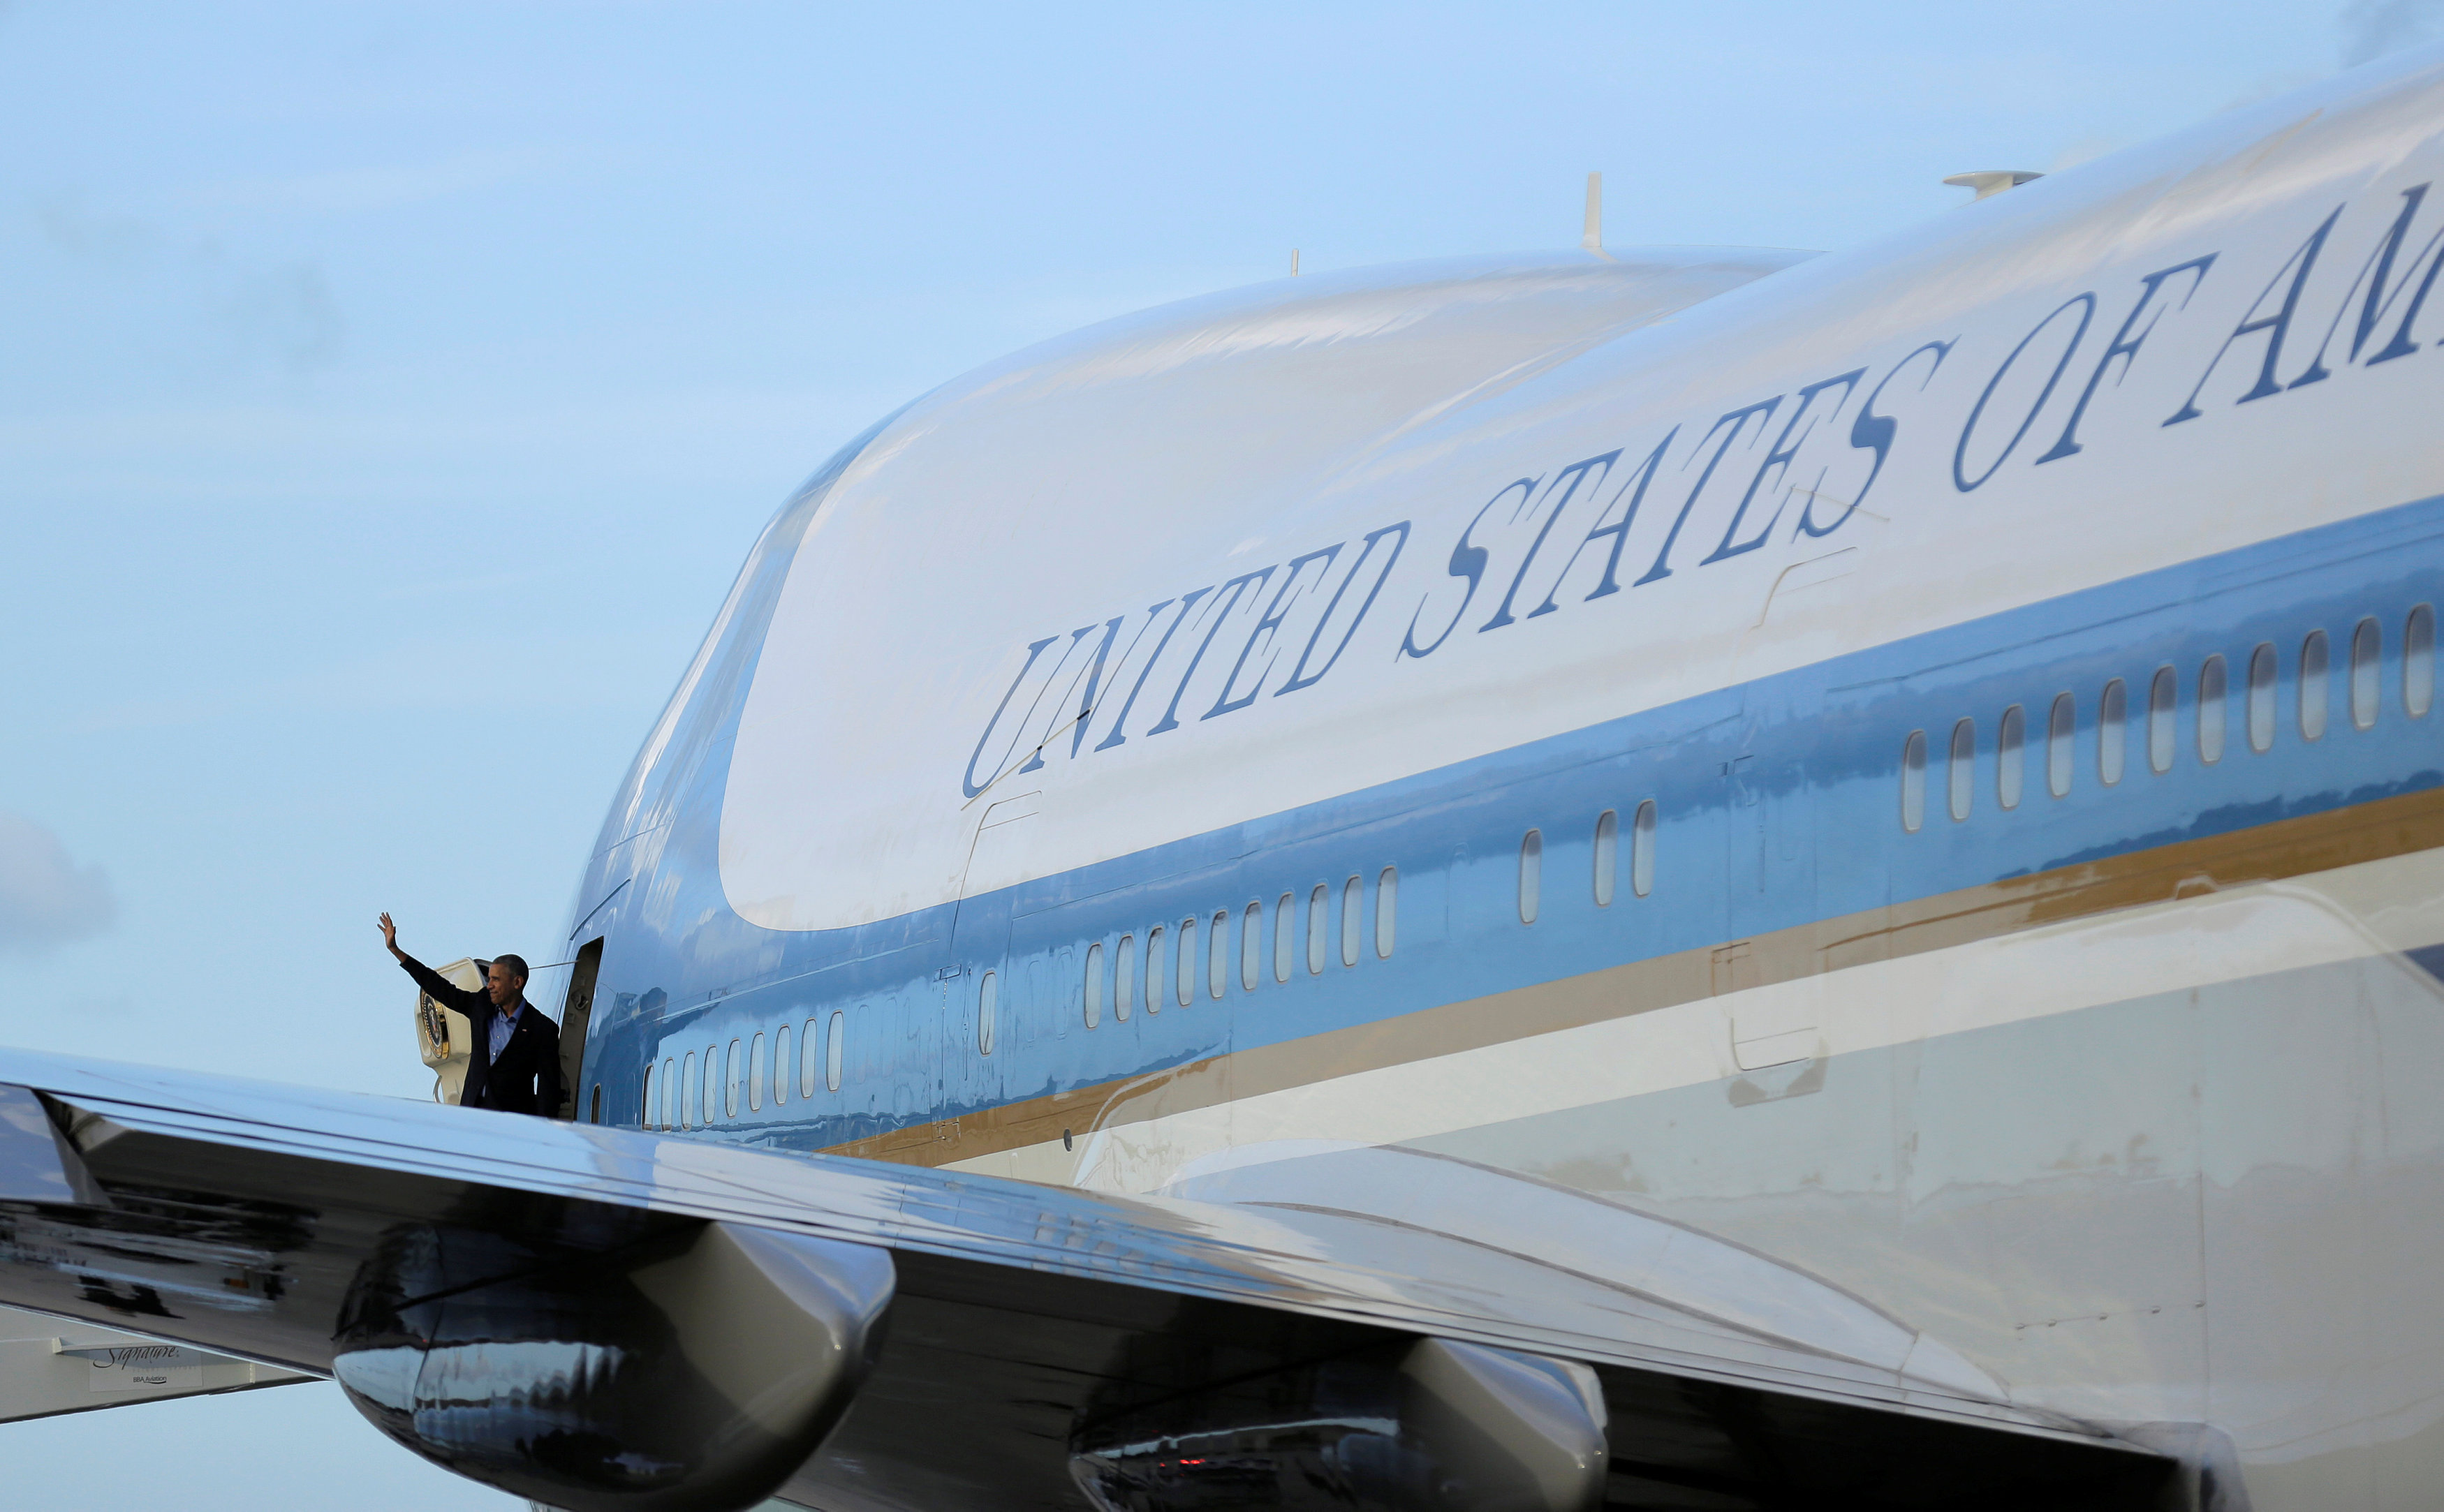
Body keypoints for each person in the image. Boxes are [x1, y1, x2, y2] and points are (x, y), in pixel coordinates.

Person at [379, 912, 561, 1117]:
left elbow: (549, 1090)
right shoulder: (481, 1006)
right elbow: (439, 987)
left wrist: (544, 1135)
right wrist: (396, 951)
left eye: (496, 980)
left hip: (513, 1125)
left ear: (517, 983)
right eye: (489, 979)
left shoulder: (543, 1029)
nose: (489, 985)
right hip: (472, 1117)